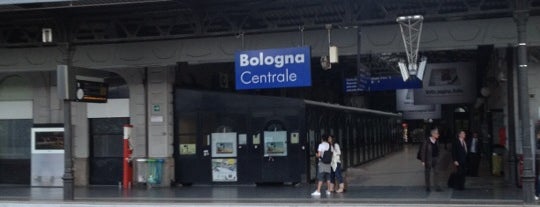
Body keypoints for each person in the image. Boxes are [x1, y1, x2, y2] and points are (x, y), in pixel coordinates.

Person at [420, 128, 441, 192]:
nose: (438, 135)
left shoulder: (437, 141)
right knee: (427, 174)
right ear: (432, 134)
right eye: (437, 133)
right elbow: (423, 151)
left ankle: (437, 186)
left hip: (435, 159)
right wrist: (423, 161)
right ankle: (428, 187)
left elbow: (438, 150)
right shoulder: (427, 141)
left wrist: (438, 157)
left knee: (436, 173)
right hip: (428, 159)